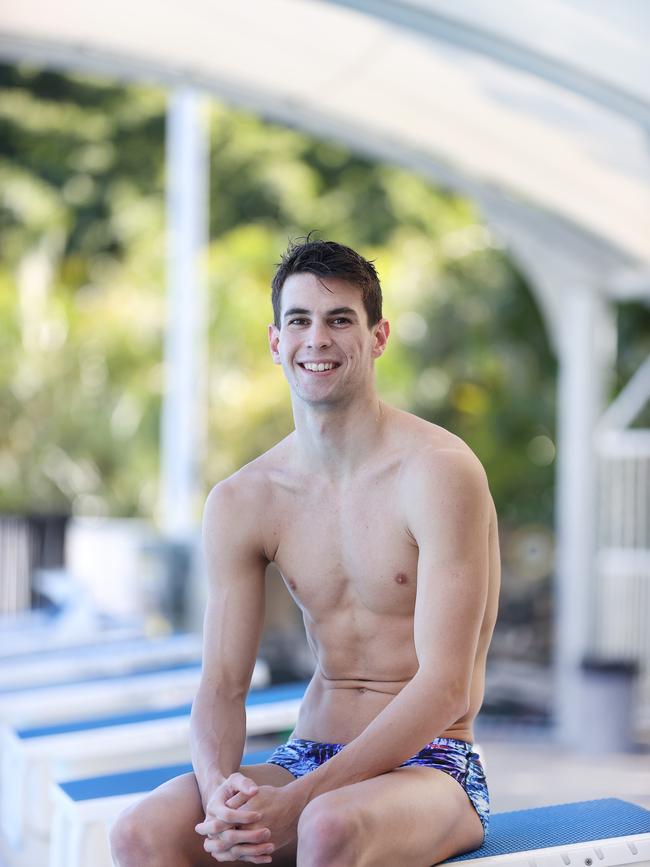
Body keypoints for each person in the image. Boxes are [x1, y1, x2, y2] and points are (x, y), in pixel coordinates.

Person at [110, 236, 500, 867]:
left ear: (378, 337)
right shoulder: (246, 499)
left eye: (340, 319)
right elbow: (221, 686)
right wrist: (220, 803)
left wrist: (296, 806)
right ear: (275, 341)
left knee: (326, 828)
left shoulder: (437, 471)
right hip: (307, 756)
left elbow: (447, 687)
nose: (317, 339)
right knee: (140, 832)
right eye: (300, 321)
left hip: (431, 766)